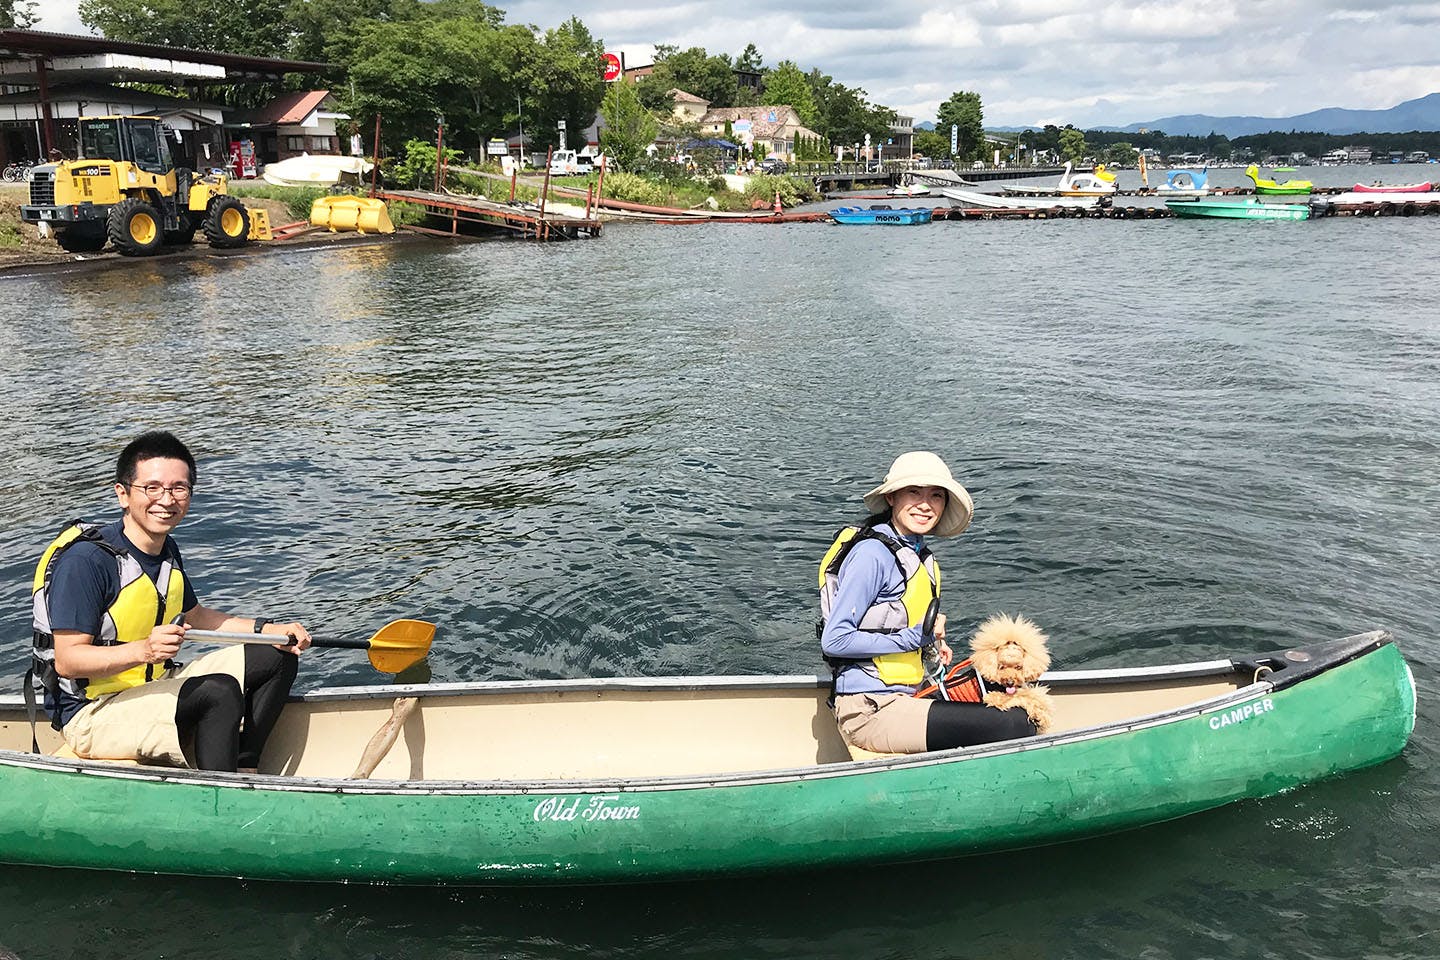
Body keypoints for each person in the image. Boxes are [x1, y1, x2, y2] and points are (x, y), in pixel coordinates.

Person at [28, 431, 312, 772]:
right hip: (91, 712)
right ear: (123, 493)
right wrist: (144, 651)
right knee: (218, 691)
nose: (166, 499)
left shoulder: (166, 550)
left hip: (150, 685)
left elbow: (196, 615)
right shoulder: (87, 562)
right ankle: (222, 797)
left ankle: (245, 765)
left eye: (179, 488)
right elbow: (68, 660)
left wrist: (269, 629)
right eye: (152, 488)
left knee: (276, 654)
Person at [818, 451, 1036, 754]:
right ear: (892, 497)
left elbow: (895, 622)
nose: (925, 504)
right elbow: (835, 640)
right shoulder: (872, 554)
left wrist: (930, 646)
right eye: (914, 492)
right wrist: (913, 638)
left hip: (905, 697)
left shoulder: (920, 557)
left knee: (1016, 695)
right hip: (870, 710)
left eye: (936, 495)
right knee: (1015, 724)